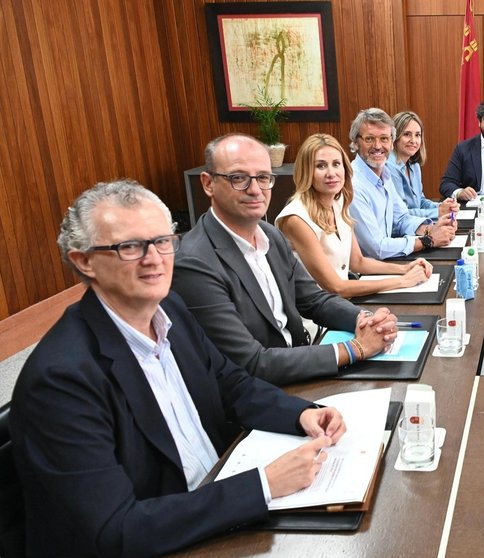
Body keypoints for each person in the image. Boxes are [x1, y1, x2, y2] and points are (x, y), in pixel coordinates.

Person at [11, 180, 349, 556]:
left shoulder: (169, 309)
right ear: (84, 261)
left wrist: (300, 412)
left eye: (162, 240)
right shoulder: (61, 381)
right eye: (129, 246)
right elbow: (114, 530)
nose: (154, 258)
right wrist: (263, 486)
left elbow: (231, 383)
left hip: (214, 502)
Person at [172, 133, 397, 385]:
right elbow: (253, 362)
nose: (255, 189)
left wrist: (365, 320)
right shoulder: (194, 263)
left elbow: (314, 300)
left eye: (263, 177)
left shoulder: (269, 234)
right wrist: (356, 349)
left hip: (300, 362)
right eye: (238, 178)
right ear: (208, 183)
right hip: (257, 394)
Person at [276, 133, 436, 298]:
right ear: (306, 171)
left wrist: (404, 269)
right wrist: (402, 281)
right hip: (315, 318)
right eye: (321, 166)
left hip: (344, 304)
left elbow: (358, 262)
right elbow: (336, 287)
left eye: (336, 164)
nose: (331, 173)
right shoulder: (296, 219)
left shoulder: (339, 202)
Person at [347, 108, 457, 259]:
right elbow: (377, 248)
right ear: (355, 143)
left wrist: (431, 229)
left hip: (386, 262)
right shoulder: (354, 185)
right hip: (365, 274)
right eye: (369, 139)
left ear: (391, 143)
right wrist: (428, 240)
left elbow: (401, 219)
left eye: (384, 138)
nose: (378, 146)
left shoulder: (383, 174)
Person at [387, 110, 460, 218]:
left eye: (417, 135)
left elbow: (420, 202)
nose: (413, 140)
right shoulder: (389, 167)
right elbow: (401, 214)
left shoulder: (414, 165)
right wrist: (438, 212)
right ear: (394, 137)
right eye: (407, 134)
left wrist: (442, 206)